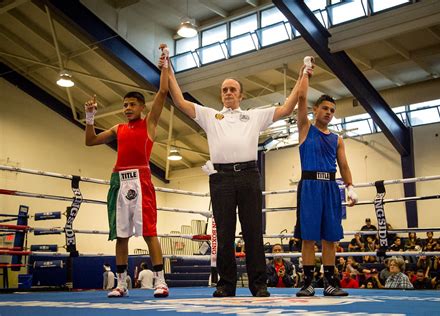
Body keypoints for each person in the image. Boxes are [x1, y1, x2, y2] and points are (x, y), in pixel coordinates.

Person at [163, 48, 311, 298]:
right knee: (224, 232)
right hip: (220, 179)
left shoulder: (254, 116)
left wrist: (302, 75)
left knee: (253, 230)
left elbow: (287, 108)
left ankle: (259, 284)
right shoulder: (210, 115)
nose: (228, 93)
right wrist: (167, 67)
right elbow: (178, 100)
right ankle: (226, 284)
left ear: (241, 94)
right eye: (224, 90)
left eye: (233, 89)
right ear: (221, 94)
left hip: (248, 176)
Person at [84, 44, 170, 298]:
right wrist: (90, 117)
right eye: (125, 104)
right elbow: (90, 141)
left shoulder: (149, 123)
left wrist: (165, 64)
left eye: (132, 104)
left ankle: (161, 281)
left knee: (149, 232)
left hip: (141, 179)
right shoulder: (117, 128)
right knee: (121, 234)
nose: (127, 108)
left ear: (142, 106)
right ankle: (121, 283)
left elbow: (163, 91)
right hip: (119, 180)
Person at [294, 70, 358, 297]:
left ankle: (330, 283)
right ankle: (308, 283)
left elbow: (344, 165)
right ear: (315, 110)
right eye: (325, 108)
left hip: (331, 187)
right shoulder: (305, 129)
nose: (329, 113)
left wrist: (350, 187)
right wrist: (305, 74)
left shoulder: (337, 138)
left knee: (330, 237)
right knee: (308, 237)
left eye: (332, 110)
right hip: (310, 186)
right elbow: (301, 98)